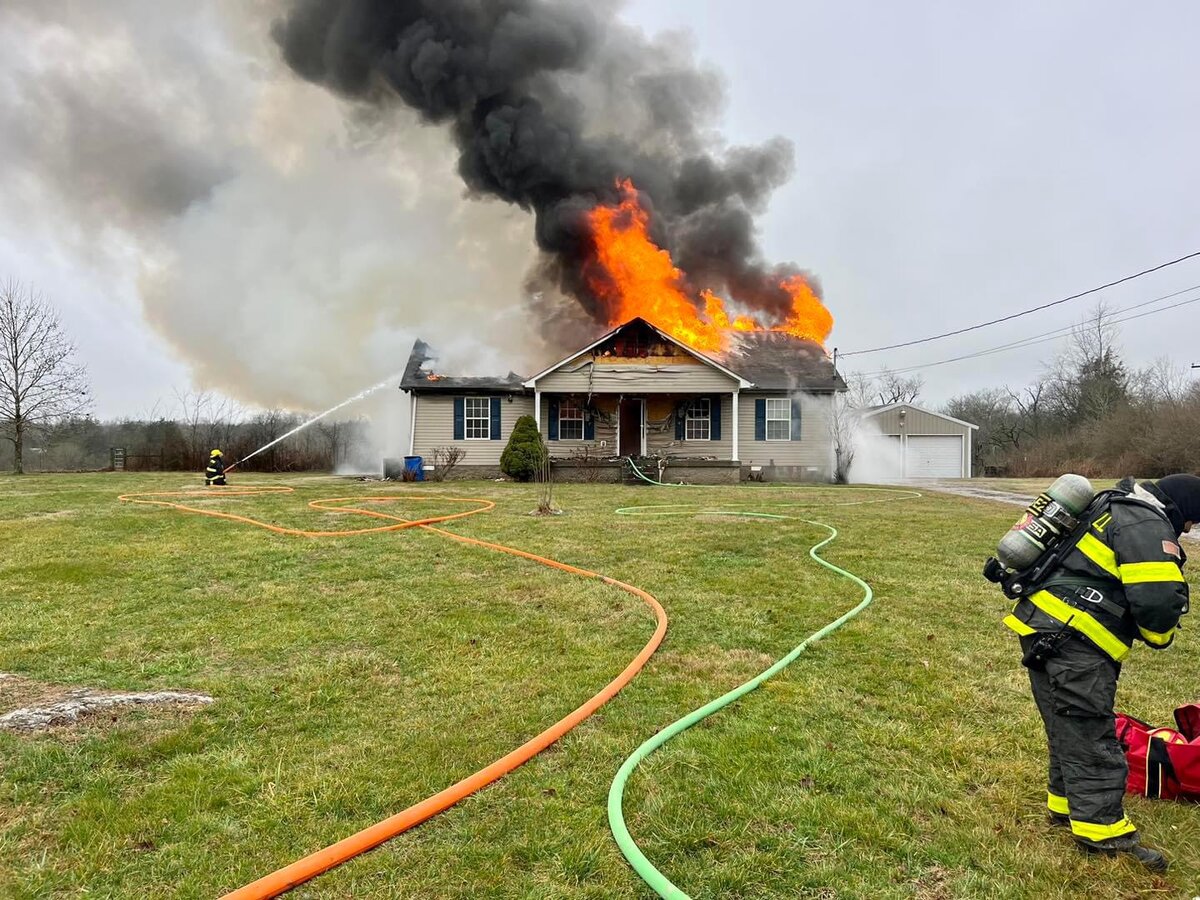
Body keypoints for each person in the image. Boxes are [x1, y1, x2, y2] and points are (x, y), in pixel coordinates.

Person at [1002, 473, 1198, 871]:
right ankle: (1103, 833)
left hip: (1043, 626)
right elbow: (1157, 598)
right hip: (1074, 639)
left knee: (1066, 726)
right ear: (1183, 509)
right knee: (1092, 735)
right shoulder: (1146, 523)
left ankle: (1064, 807)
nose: (1191, 529)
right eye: (1194, 521)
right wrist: (1160, 636)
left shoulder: (1116, 506)